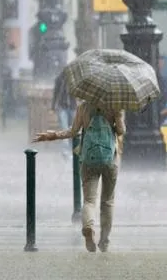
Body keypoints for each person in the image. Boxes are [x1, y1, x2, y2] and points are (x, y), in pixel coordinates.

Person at [33, 101, 126, 253]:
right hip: (110, 159)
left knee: (89, 200)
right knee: (107, 201)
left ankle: (88, 226)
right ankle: (104, 241)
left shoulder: (84, 107)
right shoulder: (115, 105)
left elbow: (73, 131)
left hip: (89, 158)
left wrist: (52, 136)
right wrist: (118, 116)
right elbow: (121, 131)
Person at [52, 71, 77, 160]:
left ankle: (72, 150)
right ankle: (65, 151)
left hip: (72, 107)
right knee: (64, 128)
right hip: (62, 107)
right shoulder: (59, 79)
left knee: (72, 129)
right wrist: (54, 105)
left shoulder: (75, 80)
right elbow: (55, 93)